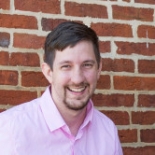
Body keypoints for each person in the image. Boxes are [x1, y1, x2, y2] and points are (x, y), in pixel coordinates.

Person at [0, 21, 123, 155]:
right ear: (49, 72)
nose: (77, 79)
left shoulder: (108, 131)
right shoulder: (10, 129)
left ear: (98, 69)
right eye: (66, 66)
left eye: (87, 65)